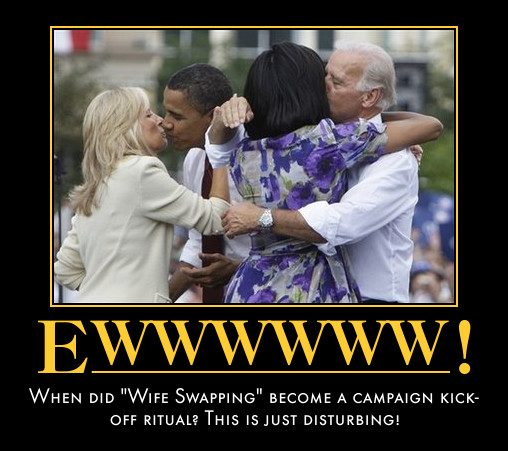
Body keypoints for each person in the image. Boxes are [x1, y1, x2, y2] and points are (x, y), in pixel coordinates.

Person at [206, 41, 442, 304]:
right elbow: (430, 125)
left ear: (369, 97)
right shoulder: (328, 141)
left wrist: (263, 219)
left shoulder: (392, 157)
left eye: (335, 82)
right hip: (316, 290)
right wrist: (231, 111)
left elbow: (344, 222)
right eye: (323, 76)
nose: (323, 86)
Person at [53, 87, 229, 303]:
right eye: (148, 114)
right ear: (125, 127)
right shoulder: (141, 171)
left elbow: (66, 270)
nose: (160, 120)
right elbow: (216, 219)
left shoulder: (98, 183)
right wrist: (219, 151)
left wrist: (106, 291)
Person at [161, 63, 251, 303]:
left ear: (213, 116)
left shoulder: (254, 157)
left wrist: (238, 267)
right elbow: (198, 241)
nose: (166, 123)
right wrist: (163, 299)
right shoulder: (194, 160)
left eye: (177, 116)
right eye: (166, 112)